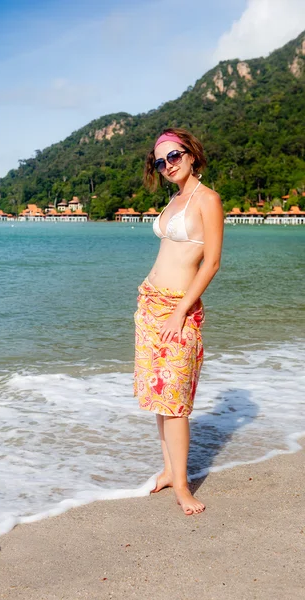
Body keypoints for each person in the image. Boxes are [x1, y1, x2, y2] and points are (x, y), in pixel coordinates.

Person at [133, 127, 224, 515]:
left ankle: (183, 487)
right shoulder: (175, 199)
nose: (167, 164)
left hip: (177, 308)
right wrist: (154, 305)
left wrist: (181, 309)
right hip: (150, 305)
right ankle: (170, 470)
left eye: (173, 156)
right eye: (160, 161)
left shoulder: (208, 199)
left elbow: (212, 262)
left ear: (190, 154)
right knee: (159, 395)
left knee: (176, 403)